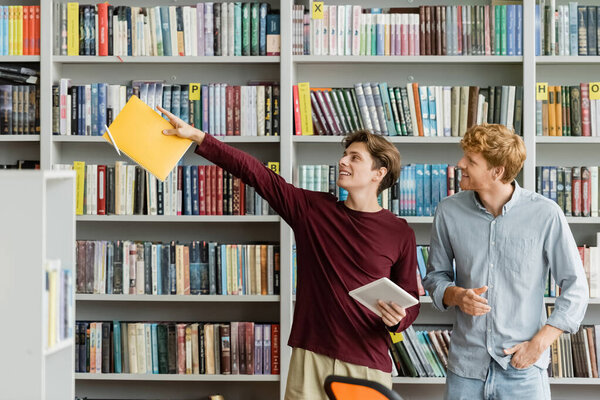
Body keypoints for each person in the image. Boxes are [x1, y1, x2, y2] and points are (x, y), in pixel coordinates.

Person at [157, 105, 420, 399]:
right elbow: (256, 174)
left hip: (367, 362)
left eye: (355, 157)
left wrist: (398, 318)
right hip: (311, 355)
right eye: (344, 154)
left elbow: (411, 301)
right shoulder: (313, 210)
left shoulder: (400, 232)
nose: (343, 161)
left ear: (379, 173)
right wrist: (199, 137)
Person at [422, 124, 589, 400]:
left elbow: (576, 287)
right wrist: (456, 295)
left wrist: (539, 344)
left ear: (497, 171)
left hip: (522, 370)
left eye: (471, 161)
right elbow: (435, 278)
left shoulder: (545, 214)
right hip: (466, 371)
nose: (460, 164)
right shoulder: (448, 211)